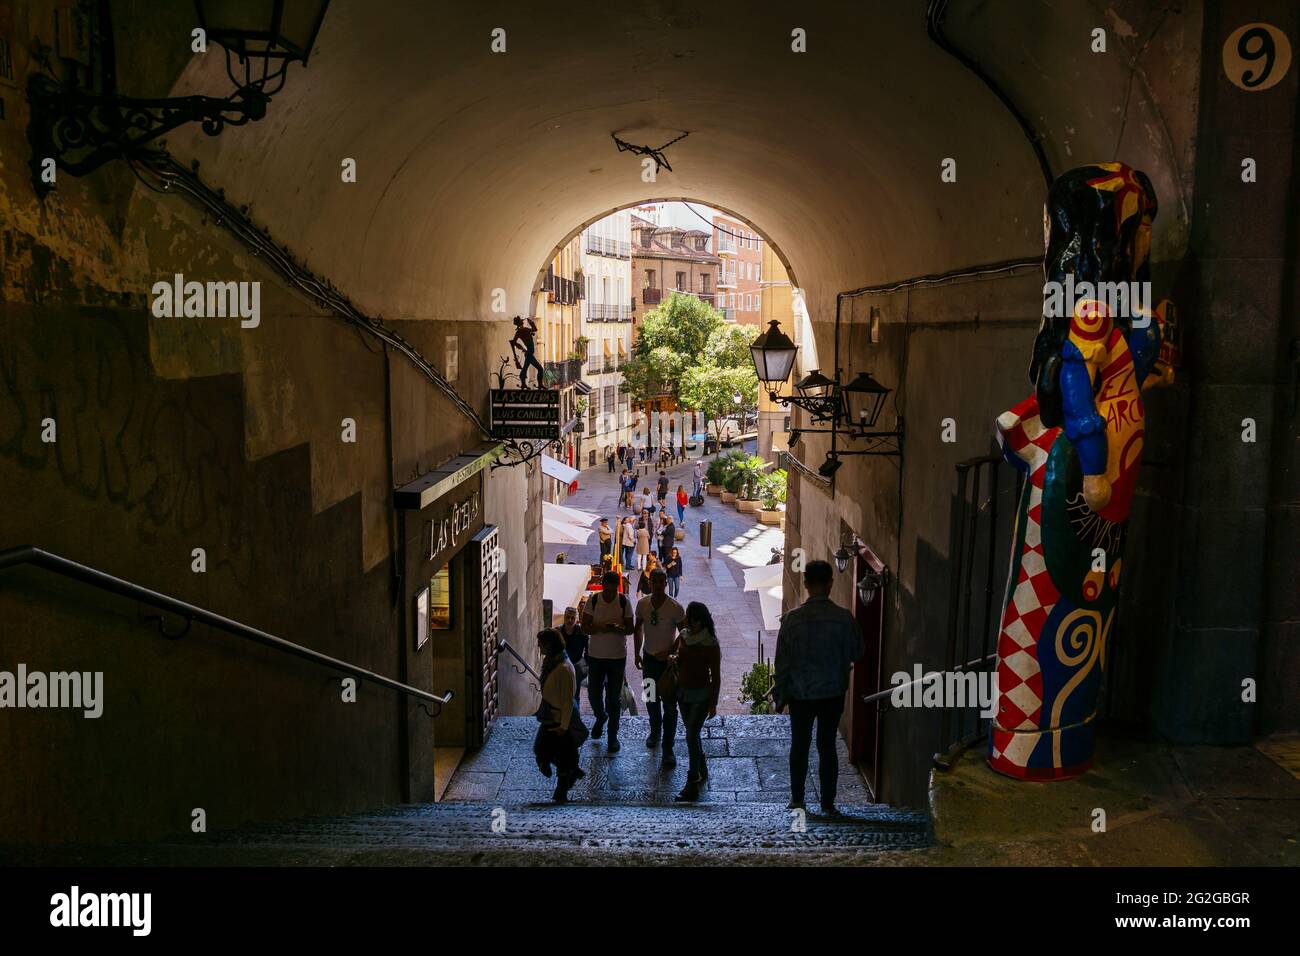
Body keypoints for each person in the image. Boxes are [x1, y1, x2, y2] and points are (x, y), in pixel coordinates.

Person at [772, 559, 864, 816]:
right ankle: (827, 802)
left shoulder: (791, 620)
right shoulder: (844, 619)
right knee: (827, 746)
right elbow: (858, 652)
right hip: (832, 692)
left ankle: (798, 799)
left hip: (801, 693)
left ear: (806, 584)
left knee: (799, 745)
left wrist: (780, 695)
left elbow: (783, 662)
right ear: (830, 584)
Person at [634, 568, 687, 765]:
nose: (657, 585)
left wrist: (672, 652)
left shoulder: (675, 608)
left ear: (665, 583)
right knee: (650, 699)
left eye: (660, 581)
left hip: (667, 665)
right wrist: (636, 653)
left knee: (670, 706)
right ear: (650, 582)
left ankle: (668, 747)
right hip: (648, 660)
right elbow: (637, 628)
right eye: (654, 581)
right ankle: (655, 731)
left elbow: (685, 634)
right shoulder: (642, 604)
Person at [672, 602, 721, 801]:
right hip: (683, 694)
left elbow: (715, 676)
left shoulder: (711, 644)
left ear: (703, 620)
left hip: (701, 696)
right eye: (690, 618)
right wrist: (673, 658)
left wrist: (714, 702)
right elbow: (674, 653)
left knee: (691, 735)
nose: (692, 623)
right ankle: (701, 765)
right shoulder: (683, 637)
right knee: (693, 734)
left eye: (695, 619)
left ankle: (692, 781)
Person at [581, 571, 634, 752]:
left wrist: (619, 628)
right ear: (603, 586)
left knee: (613, 698)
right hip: (596, 656)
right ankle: (600, 716)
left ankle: (613, 736)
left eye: (613, 590)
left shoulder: (623, 601)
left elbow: (630, 628)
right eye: (608, 590)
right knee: (593, 694)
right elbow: (585, 626)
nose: (611, 594)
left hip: (617, 657)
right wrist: (600, 628)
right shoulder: (594, 600)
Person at [534, 628, 582, 801]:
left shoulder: (563, 668)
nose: (539, 647)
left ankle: (563, 788)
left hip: (559, 718)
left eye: (541, 645)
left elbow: (568, 700)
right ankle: (571, 772)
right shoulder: (552, 662)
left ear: (549, 645)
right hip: (550, 714)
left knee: (556, 753)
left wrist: (564, 725)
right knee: (552, 751)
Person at [560, 606, 589, 703]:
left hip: (576, 667)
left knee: (575, 694)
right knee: (561, 693)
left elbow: (588, 650)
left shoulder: (582, 632)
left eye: (572, 618)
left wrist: (586, 664)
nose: (569, 620)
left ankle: (575, 716)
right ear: (564, 617)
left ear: (576, 619)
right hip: (561, 667)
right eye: (567, 617)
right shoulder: (558, 632)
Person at [509, 316, 545, 388]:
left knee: (525, 368)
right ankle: (540, 384)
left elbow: (514, 342)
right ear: (521, 323)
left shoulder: (518, 332)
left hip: (528, 353)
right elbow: (535, 329)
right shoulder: (525, 330)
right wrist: (531, 322)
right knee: (540, 369)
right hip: (529, 353)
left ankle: (523, 384)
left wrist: (521, 347)